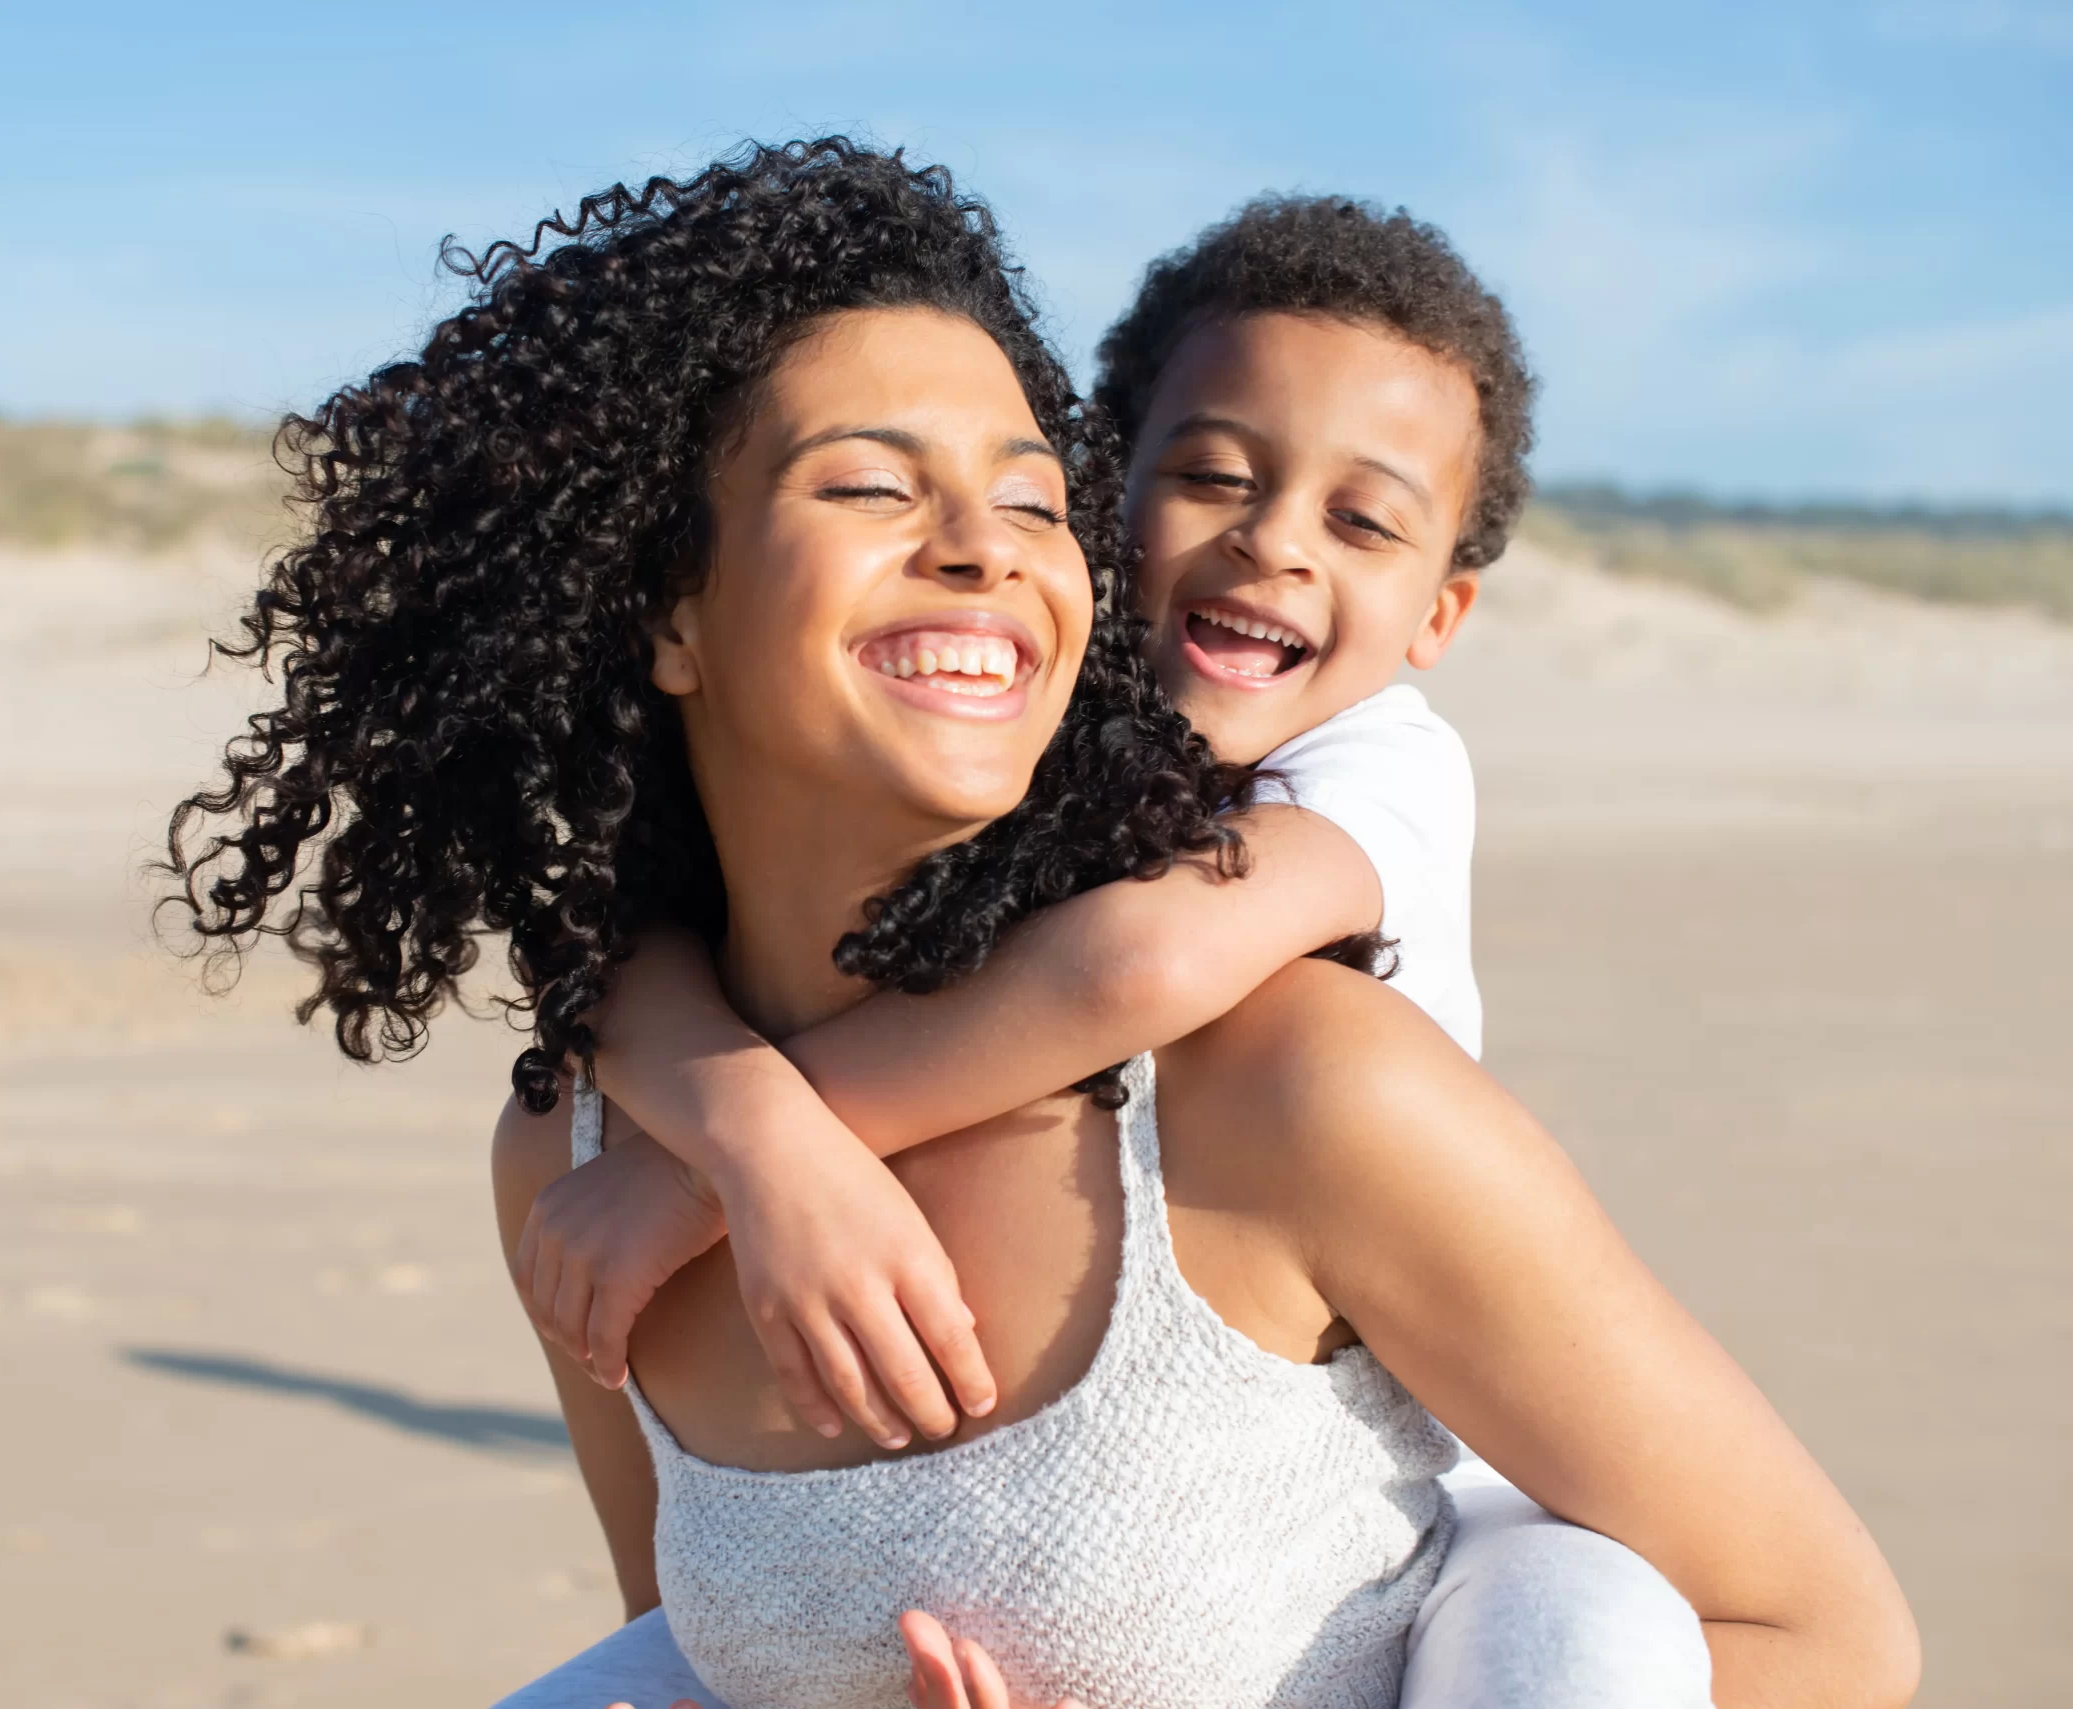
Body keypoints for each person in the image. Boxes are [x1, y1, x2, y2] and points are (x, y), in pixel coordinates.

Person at [167, 140, 1917, 1709]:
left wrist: (744, 1149)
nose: (988, 550)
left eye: (1030, 496)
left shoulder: (1296, 1080)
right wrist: (730, 1132)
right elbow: (711, 1650)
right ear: (663, 607)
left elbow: (1826, 1638)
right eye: (869, 485)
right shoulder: (574, 1147)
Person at [515, 198, 1730, 1704]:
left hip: (1452, 1472)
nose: (1274, 543)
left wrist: (732, 1160)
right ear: (1113, 499)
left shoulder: (1370, 778)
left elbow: (1136, 968)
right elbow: (623, 955)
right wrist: (723, 1122)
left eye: (1363, 521)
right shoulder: (1054, 753)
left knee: (1583, 1637)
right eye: (1212, 477)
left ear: (1443, 611)